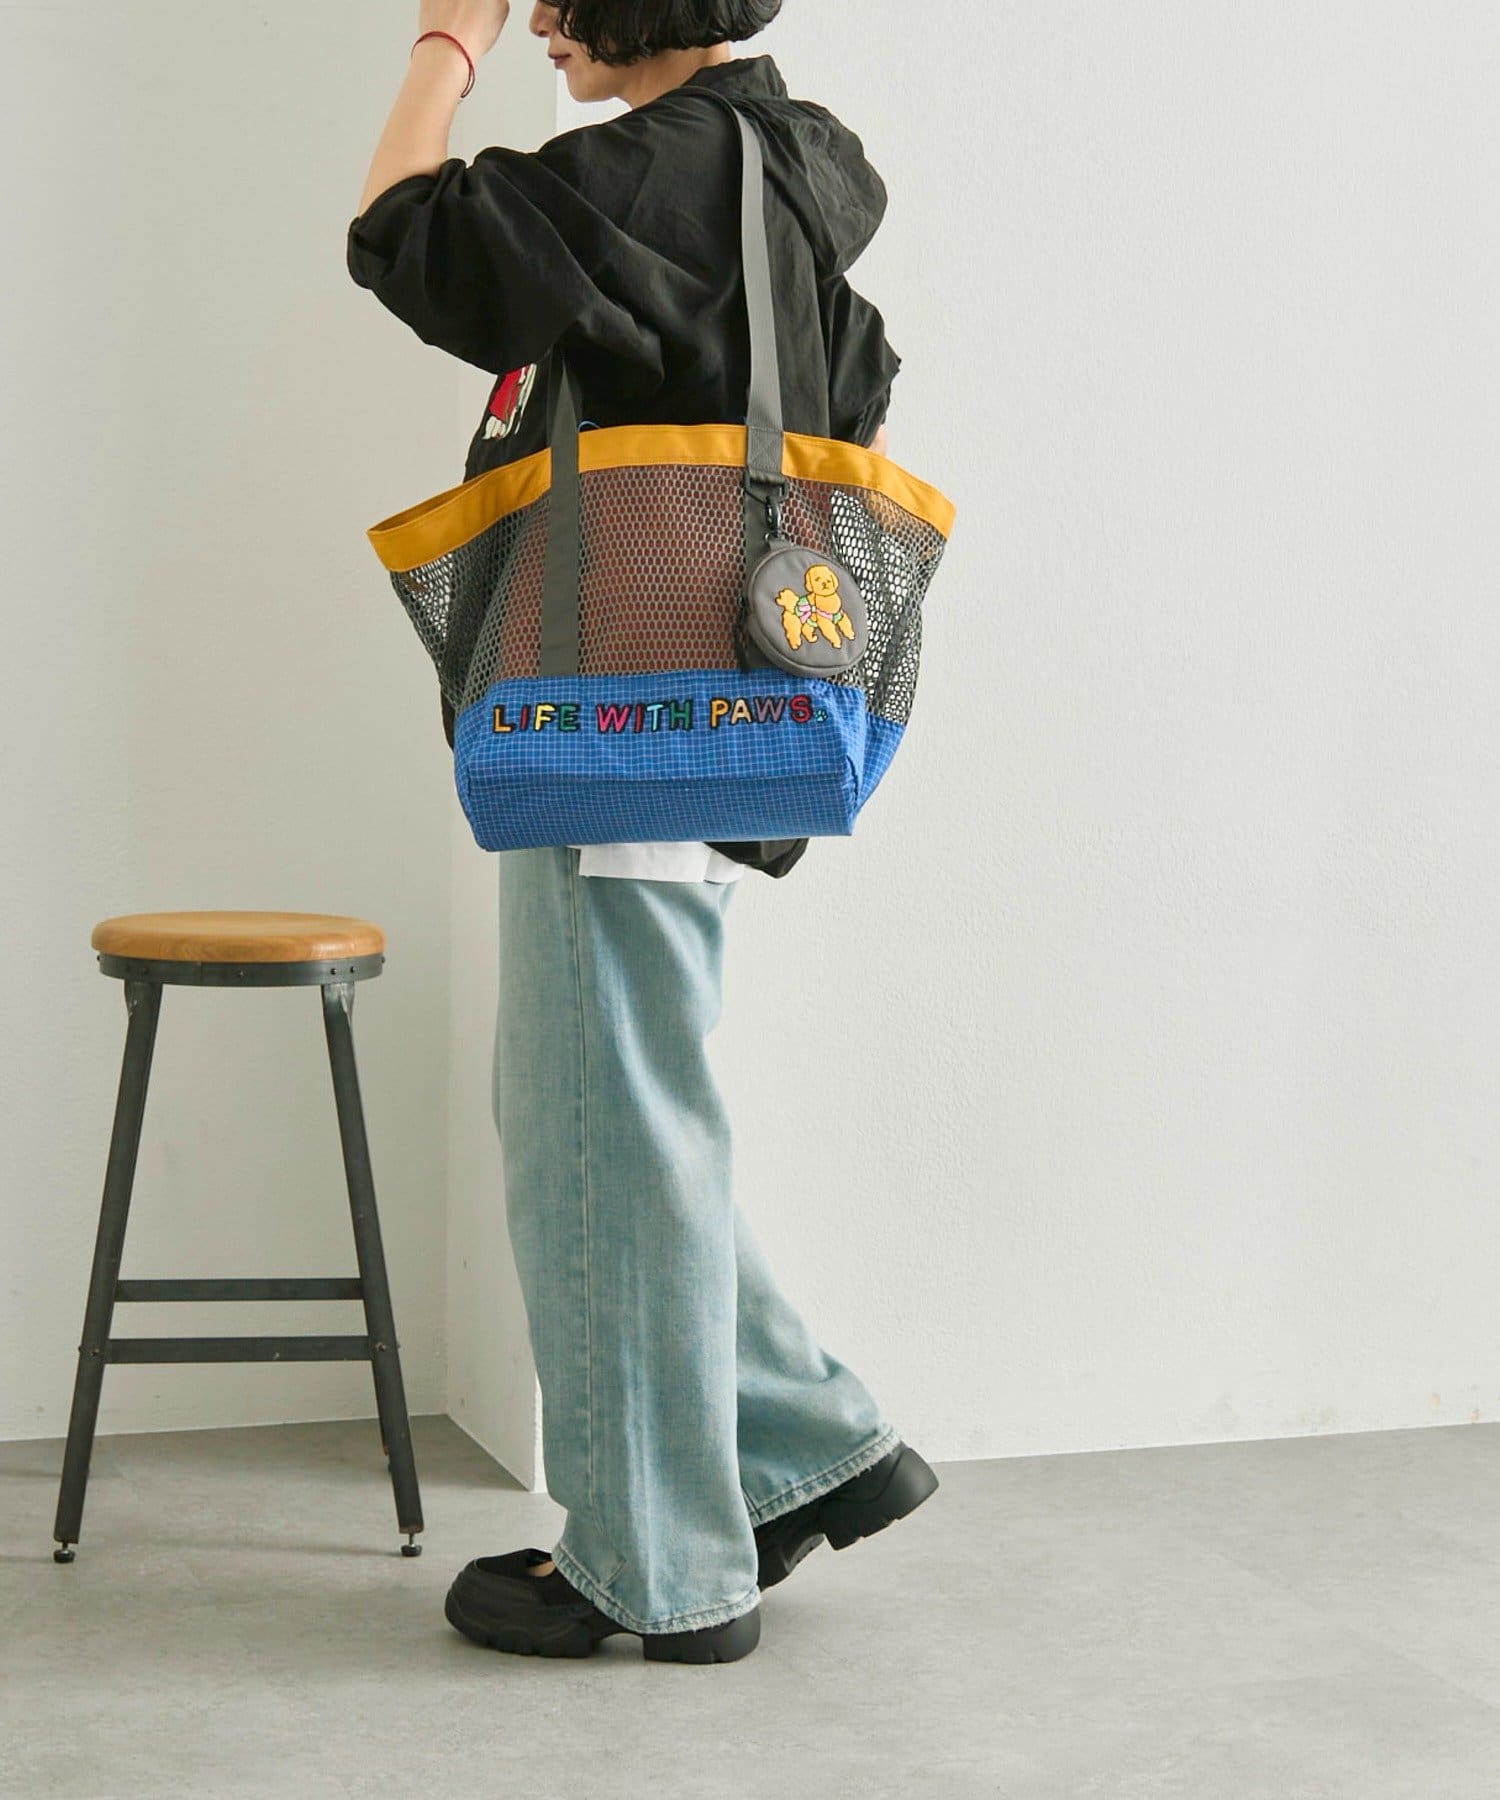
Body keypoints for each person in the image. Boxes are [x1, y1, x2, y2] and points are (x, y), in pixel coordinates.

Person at [347, 0, 938, 1665]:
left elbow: (400, 232)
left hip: (615, 713)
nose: (541, 18)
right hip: (740, 701)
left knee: (594, 1133)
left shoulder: (645, 172)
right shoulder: (800, 164)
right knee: (630, 1103)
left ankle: (657, 1569)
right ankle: (809, 1439)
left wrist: (443, 46)